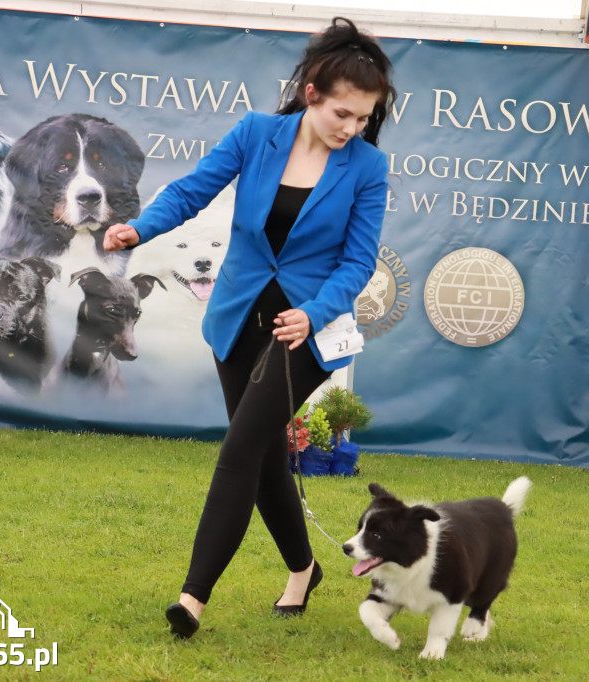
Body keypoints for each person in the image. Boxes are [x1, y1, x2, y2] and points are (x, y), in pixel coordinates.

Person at [103, 16, 396, 639]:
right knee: (263, 460)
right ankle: (303, 569)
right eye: (344, 113)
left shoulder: (368, 169)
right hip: (238, 316)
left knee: (239, 451)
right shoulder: (257, 133)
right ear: (312, 92)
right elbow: (192, 191)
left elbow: (357, 261)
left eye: (364, 118)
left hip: (305, 331)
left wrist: (313, 312)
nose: (353, 128)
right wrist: (140, 228)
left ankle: (192, 599)